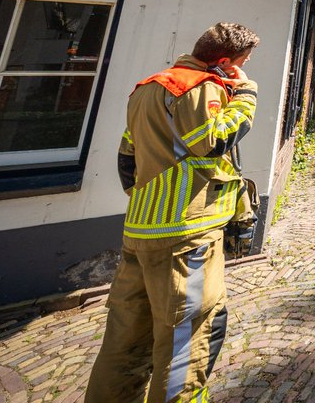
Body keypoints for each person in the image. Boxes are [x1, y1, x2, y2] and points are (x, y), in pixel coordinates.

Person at [86, 22, 260, 403]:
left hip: (141, 231)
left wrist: (152, 202)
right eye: (243, 63)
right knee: (187, 341)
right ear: (225, 62)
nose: (245, 69)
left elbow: (127, 160)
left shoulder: (149, 87)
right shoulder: (202, 88)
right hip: (186, 239)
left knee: (126, 340)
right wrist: (246, 94)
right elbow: (210, 143)